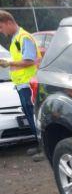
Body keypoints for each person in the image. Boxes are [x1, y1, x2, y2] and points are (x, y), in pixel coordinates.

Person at [0, 10, 44, 162]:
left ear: (9, 23)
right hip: (22, 84)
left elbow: (29, 60)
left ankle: (44, 148)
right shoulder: (15, 38)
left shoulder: (23, 37)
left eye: (1, 27)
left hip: (29, 83)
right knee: (30, 115)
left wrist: (8, 63)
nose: (1, 31)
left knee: (34, 115)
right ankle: (39, 144)